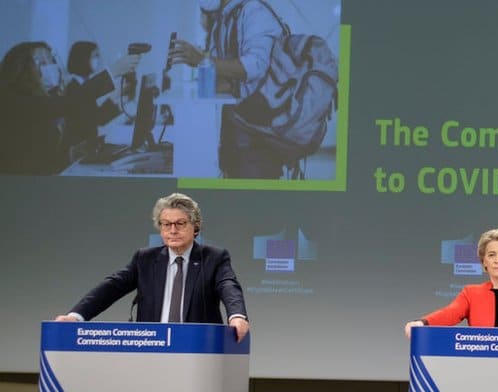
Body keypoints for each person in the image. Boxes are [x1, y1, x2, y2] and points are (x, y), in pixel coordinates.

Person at [55, 192, 250, 342]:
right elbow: (112, 287)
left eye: (180, 223)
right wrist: (76, 316)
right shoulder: (145, 259)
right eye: (166, 224)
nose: (172, 230)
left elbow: (228, 286)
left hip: (197, 350)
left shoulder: (213, 258)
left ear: (196, 226)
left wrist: (237, 315)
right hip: (152, 349)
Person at [168, 0, 287, 178]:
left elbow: (254, 66)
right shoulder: (225, 18)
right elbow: (221, 70)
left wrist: (202, 60)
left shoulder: (255, 12)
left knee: (253, 195)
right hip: (234, 131)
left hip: (259, 136)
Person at [0, 41, 111, 174]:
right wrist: (112, 73)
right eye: (42, 63)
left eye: (52, 61)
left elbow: (43, 157)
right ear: (23, 70)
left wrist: (72, 153)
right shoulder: (13, 100)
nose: (51, 67)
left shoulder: (49, 99)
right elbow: (62, 105)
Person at [62, 41, 141, 150]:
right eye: (96, 56)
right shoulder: (73, 87)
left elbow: (97, 118)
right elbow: (87, 121)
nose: (99, 60)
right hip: (76, 150)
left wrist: (121, 97)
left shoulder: (83, 84)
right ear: (82, 58)